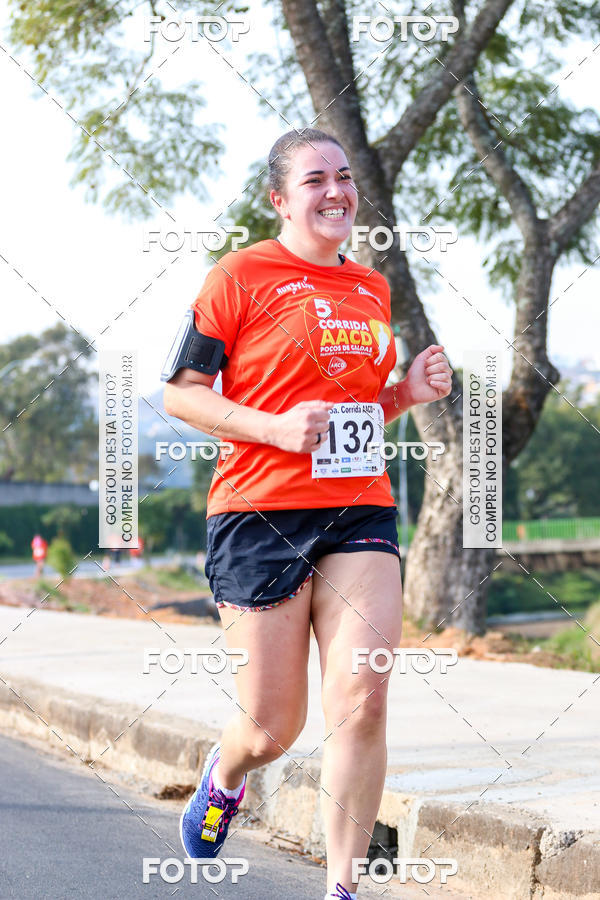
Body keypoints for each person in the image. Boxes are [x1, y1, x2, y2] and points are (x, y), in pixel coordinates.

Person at [163, 128, 452, 899]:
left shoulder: (371, 288)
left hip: (359, 509)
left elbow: (354, 415)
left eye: (345, 177)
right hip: (258, 513)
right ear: (280, 199)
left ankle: (344, 889)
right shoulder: (240, 274)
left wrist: (405, 396)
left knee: (363, 699)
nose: (336, 191)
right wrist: (274, 428)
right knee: (271, 728)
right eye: (316, 178)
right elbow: (180, 393)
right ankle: (225, 777)